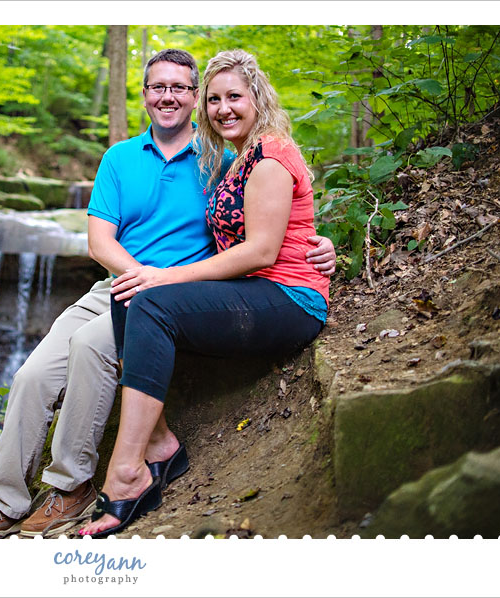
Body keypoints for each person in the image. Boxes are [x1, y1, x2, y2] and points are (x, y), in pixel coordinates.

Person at [0, 49, 335, 538]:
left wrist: (320, 244)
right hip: (119, 282)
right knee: (32, 375)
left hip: (175, 291)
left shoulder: (223, 158)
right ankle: (5, 502)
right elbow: (99, 243)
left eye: (180, 87)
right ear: (144, 96)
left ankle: (70, 486)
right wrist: (141, 276)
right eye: (159, 87)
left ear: (193, 97)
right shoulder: (119, 159)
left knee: (90, 347)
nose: (169, 96)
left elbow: (272, 222)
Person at [79, 49, 330, 538]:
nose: (223, 108)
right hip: (252, 290)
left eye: (234, 97)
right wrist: (151, 276)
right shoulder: (235, 159)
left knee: (149, 293)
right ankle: (160, 445)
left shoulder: (271, 154)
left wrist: (165, 277)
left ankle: (126, 471)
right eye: (215, 99)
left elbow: (262, 250)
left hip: (289, 297)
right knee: (131, 288)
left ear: (258, 99)